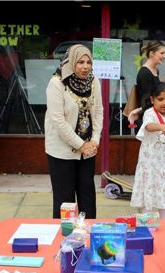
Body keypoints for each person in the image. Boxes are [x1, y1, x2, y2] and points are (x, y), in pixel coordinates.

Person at [45, 44, 103, 219]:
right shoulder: (57, 83)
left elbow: (99, 111)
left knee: (87, 195)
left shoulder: (93, 81)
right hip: (62, 152)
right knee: (65, 200)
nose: (85, 67)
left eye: (88, 62)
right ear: (70, 63)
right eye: (80, 62)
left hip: (87, 151)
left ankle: (88, 236)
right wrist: (81, 145)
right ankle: (64, 240)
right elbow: (58, 121)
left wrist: (94, 141)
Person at [130, 83, 165, 219]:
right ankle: (145, 224)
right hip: (150, 164)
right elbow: (148, 126)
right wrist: (162, 126)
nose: (164, 102)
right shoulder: (149, 113)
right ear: (153, 99)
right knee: (147, 196)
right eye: (160, 99)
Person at [128, 41, 165, 129]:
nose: (164, 56)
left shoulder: (156, 70)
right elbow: (147, 100)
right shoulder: (144, 73)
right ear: (152, 53)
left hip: (155, 113)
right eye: (162, 53)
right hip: (148, 117)